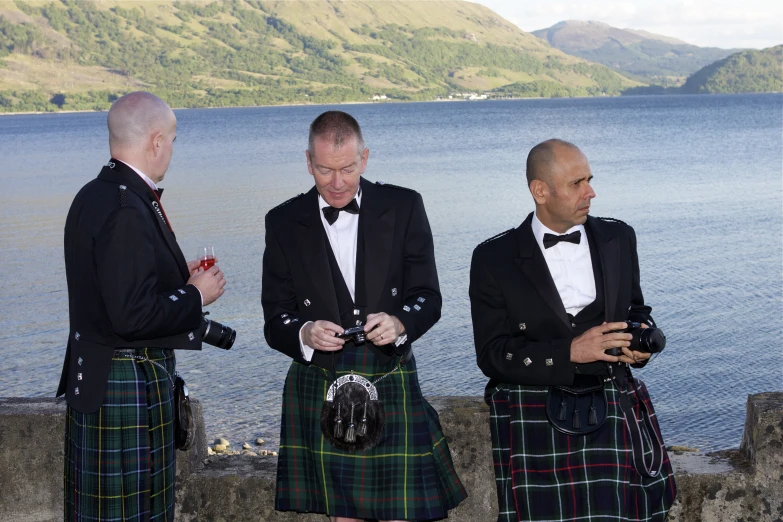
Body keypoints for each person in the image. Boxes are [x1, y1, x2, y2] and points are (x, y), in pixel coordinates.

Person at [262, 111, 467, 522]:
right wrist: (304, 331)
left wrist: (400, 323)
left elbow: (428, 297)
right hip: (321, 381)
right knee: (345, 516)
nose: (337, 182)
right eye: (324, 170)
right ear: (308, 162)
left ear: (365, 158)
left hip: (387, 373)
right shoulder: (283, 220)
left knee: (400, 513)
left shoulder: (404, 205)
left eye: (348, 168)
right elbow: (274, 317)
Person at [469, 139, 676, 522]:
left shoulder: (618, 237)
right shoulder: (493, 258)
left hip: (612, 396)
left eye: (589, 180)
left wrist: (639, 339)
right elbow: (493, 353)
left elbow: (635, 310)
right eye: (577, 183)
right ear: (540, 191)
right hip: (534, 407)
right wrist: (569, 352)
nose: (590, 192)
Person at [57, 91, 226, 521]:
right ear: (155, 141)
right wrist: (195, 295)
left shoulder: (93, 195)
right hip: (126, 383)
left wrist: (174, 277)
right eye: (171, 138)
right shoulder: (126, 207)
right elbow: (131, 315)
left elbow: (111, 286)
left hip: (99, 374)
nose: (171, 148)